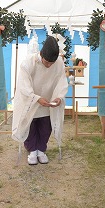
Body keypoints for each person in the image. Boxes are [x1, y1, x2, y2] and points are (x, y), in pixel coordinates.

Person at [12, 35, 68, 165]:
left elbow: (61, 81)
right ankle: (32, 150)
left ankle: (41, 149)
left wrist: (59, 97)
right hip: (31, 98)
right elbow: (23, 85)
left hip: (48, 98)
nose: (49, 65)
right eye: (47, 62)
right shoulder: (28, 62)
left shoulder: (59, 62)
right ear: (41, 54)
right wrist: (36, 98)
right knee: (30, 123)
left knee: (45, 125)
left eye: (51, 63)